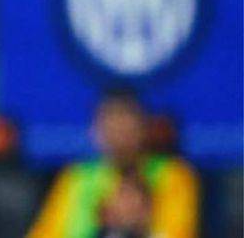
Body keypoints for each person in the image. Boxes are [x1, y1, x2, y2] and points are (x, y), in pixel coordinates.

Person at [27, 90, 200, 238]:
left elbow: (178, 232)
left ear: (143, 128)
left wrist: (137, 229)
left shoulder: (172, 174)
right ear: (95, 131)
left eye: (127, 128)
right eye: (112, 128)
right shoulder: (77, 176)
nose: (119, 138)